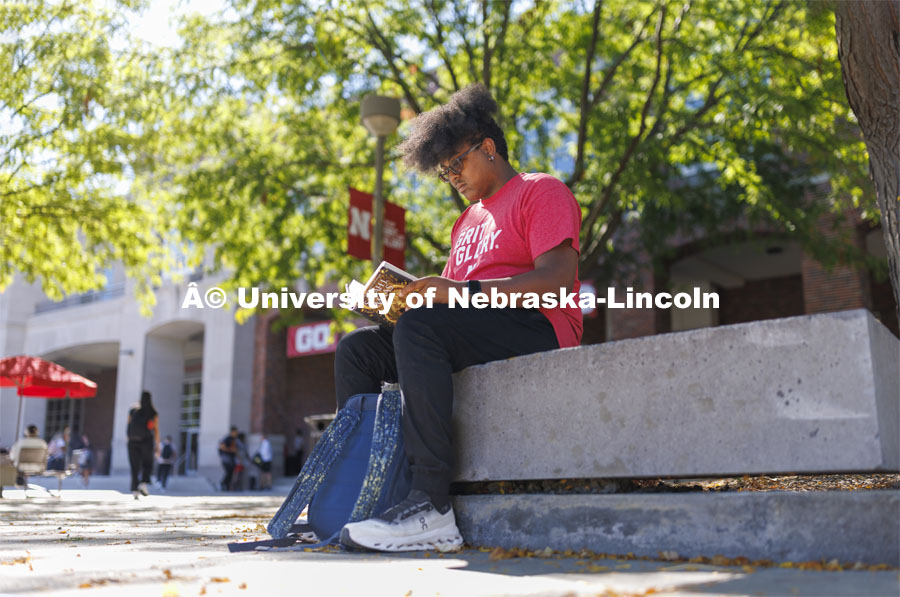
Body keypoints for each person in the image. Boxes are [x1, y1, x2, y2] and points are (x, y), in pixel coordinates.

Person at [337, 84, 583, 553]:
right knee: (360, 350)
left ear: (487, 148)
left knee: (423, 326)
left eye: (456, 164)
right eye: (443, 171)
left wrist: (459, 293)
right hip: (474, 326)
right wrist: (406, 302)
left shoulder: (540, 191)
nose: (451, 176)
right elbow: (449, 308)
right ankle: (362, 494)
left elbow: (555, 279)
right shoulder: (466, 221)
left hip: (540, 325)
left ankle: (431, 506)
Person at [127, 391, 160, 499]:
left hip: (132, 442)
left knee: (134, 467)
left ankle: (135, 490)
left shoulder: (133, 410)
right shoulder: (152, 412)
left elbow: (128, 425)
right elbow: (156, 430)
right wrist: (158, 445)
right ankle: (143, 483)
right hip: (146, 441)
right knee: (147, 464)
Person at [217, 426, 239, 491]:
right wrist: (230, 450)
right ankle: (223, 484)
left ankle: (227, 486)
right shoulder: (228, 438)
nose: (236, 433)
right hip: (226, 458)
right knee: (229, 471)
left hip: (231, 458)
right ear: (232, 432)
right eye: (236, 432)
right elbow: (221, 446)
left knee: (231, 472)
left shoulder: (234, 439)